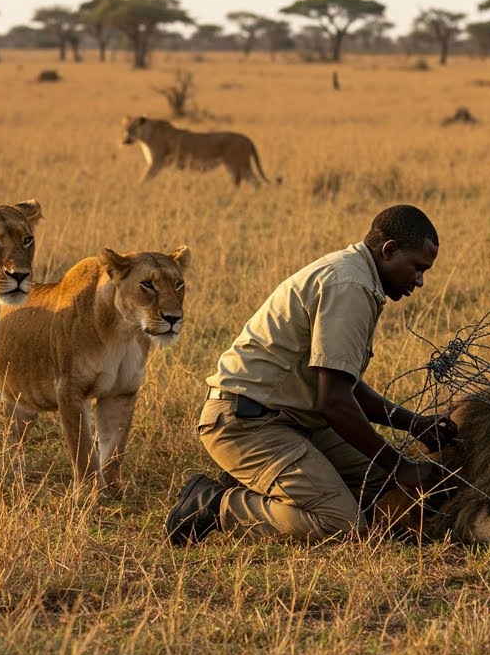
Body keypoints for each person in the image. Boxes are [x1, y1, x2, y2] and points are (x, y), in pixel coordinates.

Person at [167, 204, 458, 545]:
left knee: (379, 488)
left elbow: (342, 384)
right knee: (341, 524)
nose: (420, 281)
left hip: (292, 421)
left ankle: (263, 482)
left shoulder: (357, 274)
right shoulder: (350, 286)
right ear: (389, 250)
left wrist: (414, 424)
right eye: (418, 267)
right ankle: (214, 504)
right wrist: (401, 466)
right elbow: (334, 401)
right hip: (247, 424)